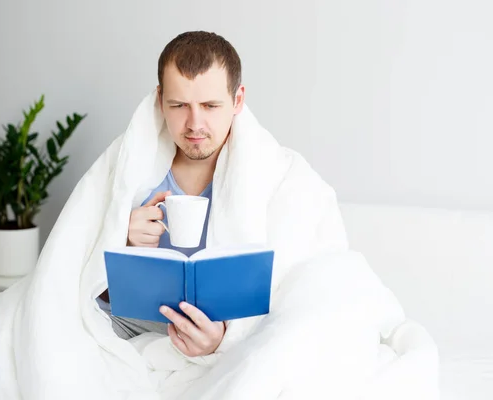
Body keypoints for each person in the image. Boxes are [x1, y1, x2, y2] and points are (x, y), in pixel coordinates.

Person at [96, 30, 342, 359]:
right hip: (132, 328)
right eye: (179, 105)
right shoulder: (130, 169)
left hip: (233, 342)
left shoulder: (281, 177)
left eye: (211, 106)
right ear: (160, 101)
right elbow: (85, 286)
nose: (195, 124)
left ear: (237, 100)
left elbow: (307, 289)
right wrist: (123, 245)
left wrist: (225, 338)